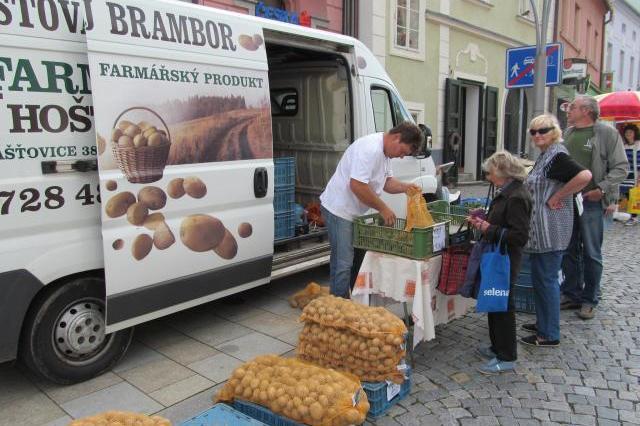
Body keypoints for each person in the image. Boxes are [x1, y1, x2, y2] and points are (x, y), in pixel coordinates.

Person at [320, 122, 423, 298]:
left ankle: (348, 300)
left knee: (352, 260)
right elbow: (357, 185)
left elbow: (387, 183)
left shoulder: (386, 154)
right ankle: (338, 308)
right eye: (403, 152)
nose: (401, 157)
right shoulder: (370, 148)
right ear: (397, 137)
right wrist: (383, 208)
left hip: (353, 212)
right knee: (343, 262)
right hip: (338, 209)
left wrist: (406, 187)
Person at [520, 114, 592, 347]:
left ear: (555, 131)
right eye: (534, 132)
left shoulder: (557, 155)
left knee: (546, 279)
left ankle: (549, 334)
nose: (538, 135)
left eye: (543, 130)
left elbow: (585, 175)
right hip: (541, 230)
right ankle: (544, 322)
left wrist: (559, 196)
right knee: (541, 279)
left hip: (550, 230)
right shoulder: (547, 156)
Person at [560, 95, 629, 320]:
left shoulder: (607, 134)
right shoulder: (567, 134)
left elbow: (621, 168)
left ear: (587, 111)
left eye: (573, 107)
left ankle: (590, 299)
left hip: (591, 202)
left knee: (591, 252)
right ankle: (572, 294)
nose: (568, 111)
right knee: (569, 250)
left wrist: (602, 189)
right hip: (568, 201)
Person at [468, 151, 532, 375]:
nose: (488, 176)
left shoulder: (516, 196)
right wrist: (483, 221)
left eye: (490, 172)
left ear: (503, 172)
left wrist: (489, 229)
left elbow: (519, 236)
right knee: (494, 302)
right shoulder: (507, 192)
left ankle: (507, 357)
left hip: (505, 260)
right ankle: (497, 347)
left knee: (503, 307)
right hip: (497, 256)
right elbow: (501, 222)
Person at [622, 124, 640, 226]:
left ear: (635, 134)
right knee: (629, 195)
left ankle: (634, 217)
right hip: (626, 175)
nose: (628, 134)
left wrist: (639, 177)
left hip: (635, 175)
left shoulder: (638, 145)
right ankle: (632, 216)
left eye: (631, 132)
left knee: (633, 196)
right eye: (627, 132)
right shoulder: (624, 146)